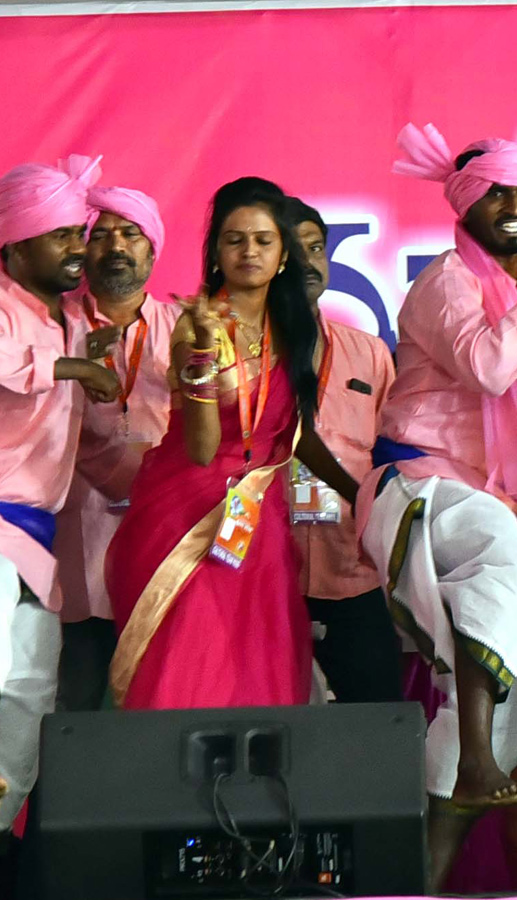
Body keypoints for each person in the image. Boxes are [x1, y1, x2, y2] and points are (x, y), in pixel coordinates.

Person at [358, 125, 517, 891]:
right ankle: (480, 764)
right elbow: (491, 367)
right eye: (498, 191)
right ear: (466, 205)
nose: (516, 204)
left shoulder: (499, 291)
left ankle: (431, 861)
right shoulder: (448, 283)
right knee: (497, 548)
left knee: (504, 697)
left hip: (466, 494)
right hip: (419, 486)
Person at [105, 177, 356, 711]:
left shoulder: (293, 328)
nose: (249, 252)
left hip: (256, 514)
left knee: (255, 669)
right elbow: (201, 448)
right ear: (216, 251)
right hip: (186, 511)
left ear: (284, 254)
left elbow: (294, 433)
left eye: (263, 240)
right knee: (189, 670)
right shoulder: (199, 325)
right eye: (234, 239)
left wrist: (360, 492)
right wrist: (199, 367)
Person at [0, 155, 120, 832]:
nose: (81, 248)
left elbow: (88, 450)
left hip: (34, 548)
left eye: (81, 233)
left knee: (27, 708)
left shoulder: (70, 324)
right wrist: (71, 366)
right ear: (15, 245)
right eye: (63, 235)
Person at [54, 185, 178, 712]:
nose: (115, 246)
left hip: (163, 533)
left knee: (158, 698)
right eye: (100, 236)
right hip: (75, 537)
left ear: (152, 249)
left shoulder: (187, 328)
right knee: (72, 700)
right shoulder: (55, 326)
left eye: (130, 234)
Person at [282, 196, 401, 704]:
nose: (310, 262)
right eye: (293, 249)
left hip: (354, 566)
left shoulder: (368, 352)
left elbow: (394, 452)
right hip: (265, 569)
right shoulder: (241, 350)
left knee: (377, 719)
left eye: (317, 248)